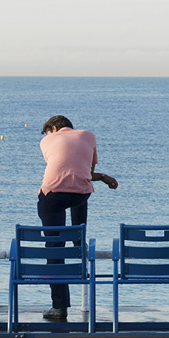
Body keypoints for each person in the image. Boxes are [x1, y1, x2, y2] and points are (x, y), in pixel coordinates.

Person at [37, 115, 118, 320]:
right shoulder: (89, 136)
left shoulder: (46, 140)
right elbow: (84, 173)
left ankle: (59, 307)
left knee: (54, 248)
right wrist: (104, 177)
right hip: (81, 194)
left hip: (52, 194)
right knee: (79, 193)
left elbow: (62, 172)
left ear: (53, 128)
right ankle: (78, 241)